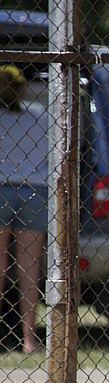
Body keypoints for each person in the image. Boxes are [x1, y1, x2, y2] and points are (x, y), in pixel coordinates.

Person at [0, 64, 48, 353]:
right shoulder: (40, 116)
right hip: (34, 191)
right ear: (23, 88)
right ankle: (29, 338)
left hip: (1, 187)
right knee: (28, 266)